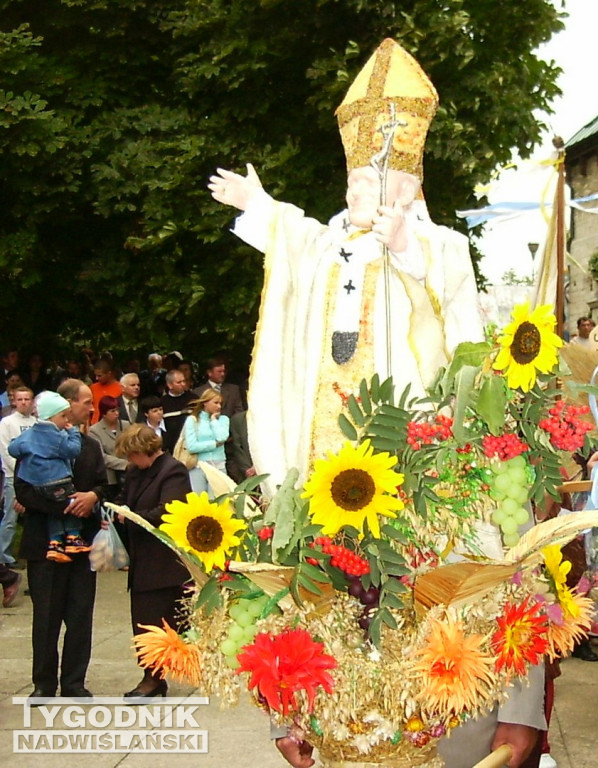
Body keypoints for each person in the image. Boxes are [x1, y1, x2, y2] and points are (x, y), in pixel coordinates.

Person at [208, 37, 482, 490]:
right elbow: (291, 236)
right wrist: (255, 202)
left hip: (404, 421)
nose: (351, 191)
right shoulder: (329, 245)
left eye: (365, 181)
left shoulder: (441, 244)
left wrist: (402, 247)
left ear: (405, 191)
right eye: (350, 181)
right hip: (324, 419)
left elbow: (453, 311)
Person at [16, 378, 106, 698]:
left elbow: (104, 485)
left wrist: (92, 497)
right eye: (86, 402)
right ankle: (43, 683)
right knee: (46, 616)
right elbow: (24, 490)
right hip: (46, 543)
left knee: (80, 615)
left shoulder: (92, 446)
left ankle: (74, 682)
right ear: (66, 406)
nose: (91, 408)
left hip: (82, 544)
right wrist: (64, 505)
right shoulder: (34, 443)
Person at [115, 424, 192, 698]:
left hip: (164, 561)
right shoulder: (135, 471)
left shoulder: (172, 470)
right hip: (142, 559)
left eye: (131, 455)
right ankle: (151, 674)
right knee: (143, 621)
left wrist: (133, 517)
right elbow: (125, 499)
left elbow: (169, 511)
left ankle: (154, 678)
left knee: (160, 621)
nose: (129, 461)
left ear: (144, 450)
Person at [9, 391, 87, 563]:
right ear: (51, 418)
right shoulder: (57, 436)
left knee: (52, 510)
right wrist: (73, 433)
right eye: (63, 416)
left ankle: (55, 542)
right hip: (58, 480)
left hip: (36, 484)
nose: (67, 420)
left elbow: (13, 449)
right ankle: (73, 536)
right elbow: (73, 450)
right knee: (71, 504)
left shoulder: (28, 435)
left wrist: (25, 448)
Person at [0, 385, 36, 566]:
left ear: (32, 401)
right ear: (14, 401)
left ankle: (30, 553)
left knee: (32, 519)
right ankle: (4, 556)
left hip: (35, 479)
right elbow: (6, 452)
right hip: (13, 477)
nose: (23, 403)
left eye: (27, 399)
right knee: (10, 519)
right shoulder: (6, 423)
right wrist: (20, 474)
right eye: (20, 399)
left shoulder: (36, 423)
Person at [183, 389, 229, 493]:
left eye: (220, 403)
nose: (219, 406)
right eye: (216, 403)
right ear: (205, 402)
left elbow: (222, 437)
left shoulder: (223, 419)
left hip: (219, 464)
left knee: (218, 500)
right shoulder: (192, 420)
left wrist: (213, 420)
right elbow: (192, 447)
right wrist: (214, 444)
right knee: (199, 500)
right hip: (198, 465)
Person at [89, 395, 130, 499]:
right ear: (103, 413)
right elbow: (101, 456)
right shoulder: (94, 430)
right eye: (112, 411)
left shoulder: (126, 425)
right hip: (110, 478)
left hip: (129, 476)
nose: (117, 414)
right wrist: (125, 464)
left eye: (117, 410)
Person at [160, 368, 195, 450]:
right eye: (179, 382)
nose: (183, 384)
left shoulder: (193, 399)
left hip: (190, 445)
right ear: (170, 385)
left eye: (184, 381)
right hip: (171, 447)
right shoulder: (162, 403)